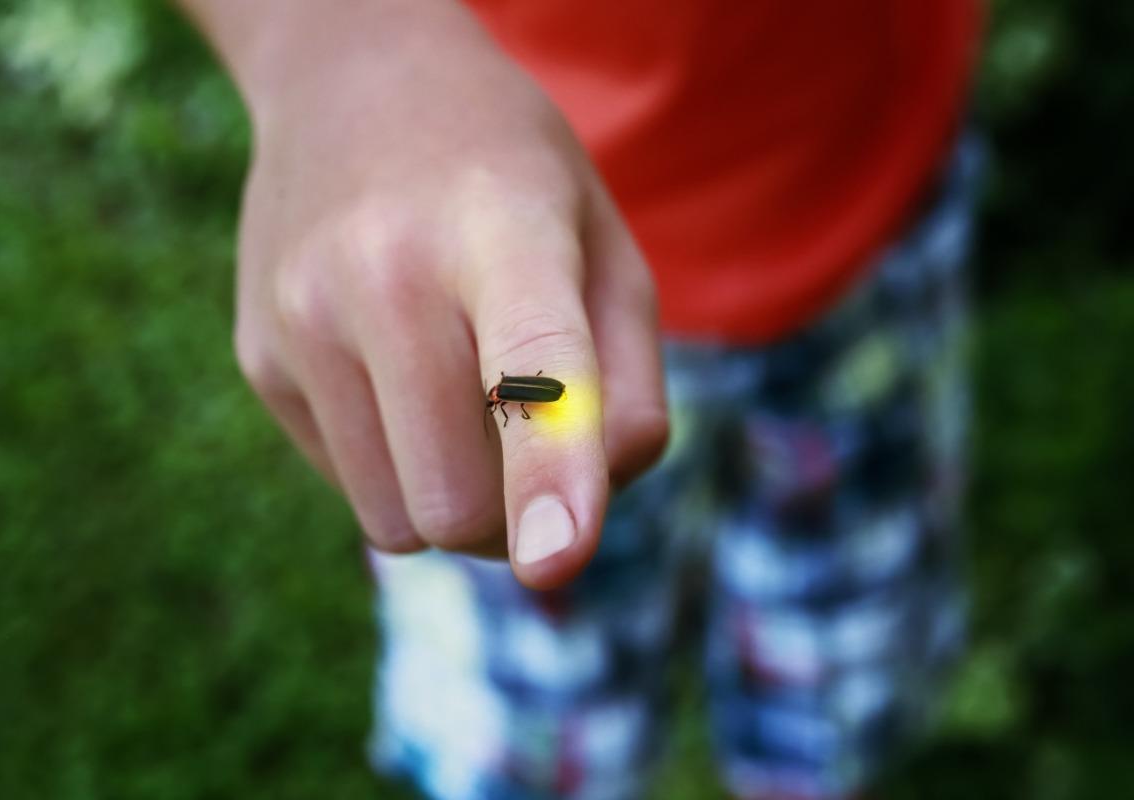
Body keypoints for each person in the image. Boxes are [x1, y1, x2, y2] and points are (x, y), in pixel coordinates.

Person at [177, 1, 984, 797]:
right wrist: (334, 49)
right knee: (539, 702)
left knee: (839, 653)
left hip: (868, 191)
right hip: (498, 262)